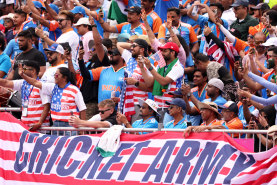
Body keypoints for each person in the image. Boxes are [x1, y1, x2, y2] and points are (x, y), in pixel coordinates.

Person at [18, 66, 86, 136]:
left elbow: (82, 109)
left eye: (57, 75)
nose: (54, 77)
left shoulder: (74, 90)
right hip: (55, 125)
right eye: (54, 75)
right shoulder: (52, 87)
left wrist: (82, 128)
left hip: (70, 126)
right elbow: (35, 83)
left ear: (64, 78)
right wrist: (23, 75)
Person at [0, 60, 50, 131]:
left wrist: (39, 123)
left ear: (33, 71)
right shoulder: (23, 83)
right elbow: (5, 82)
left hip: (40, 128)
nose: (22, 71)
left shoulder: (42, 85)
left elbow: (47, 105)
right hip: (26, 127)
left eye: (24, 69)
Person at [142, 42, 184, 122]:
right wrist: (142, 68)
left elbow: (163, 82)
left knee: (167, 132)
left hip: (171, 108)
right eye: (162, 51)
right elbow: (149, 83)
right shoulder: (161, 66)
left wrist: (150, 67)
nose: (162, 53)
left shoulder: (178, 67)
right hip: (158, 106)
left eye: (165, 51)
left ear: (172, 53)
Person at [117, 38, 153, 123]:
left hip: (138, 103)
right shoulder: (130, 58)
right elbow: (119, 44)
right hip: (125, 102)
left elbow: (150, 87)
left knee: (134, 129)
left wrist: (135, 83)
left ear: (142, 49)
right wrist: (133, 45)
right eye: (132, 46)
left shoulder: (148, 63)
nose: (131, 48)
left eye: (134, 46)